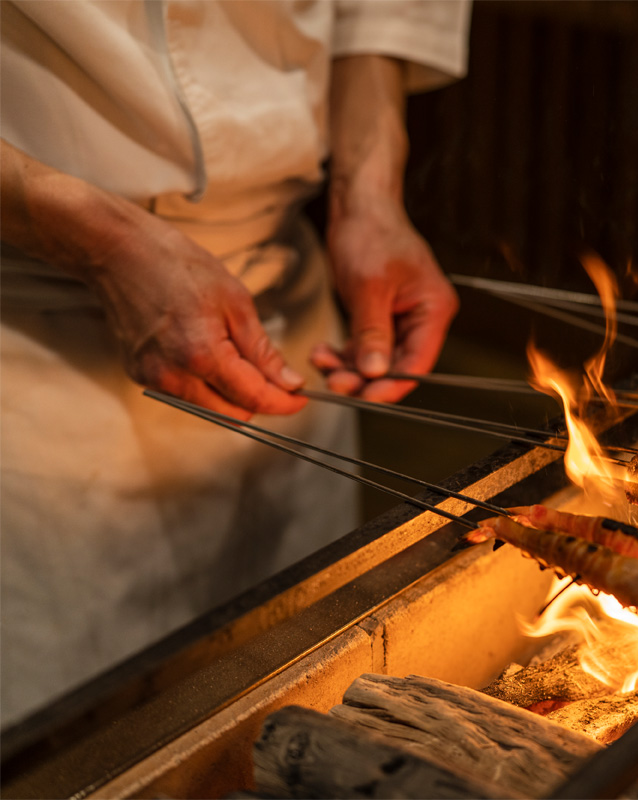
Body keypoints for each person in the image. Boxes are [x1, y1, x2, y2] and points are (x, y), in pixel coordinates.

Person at [0, 0, 470, 726]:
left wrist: (367, 195)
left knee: (298, 711)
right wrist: (101, 242)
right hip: (27, 354)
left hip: (283, 298)